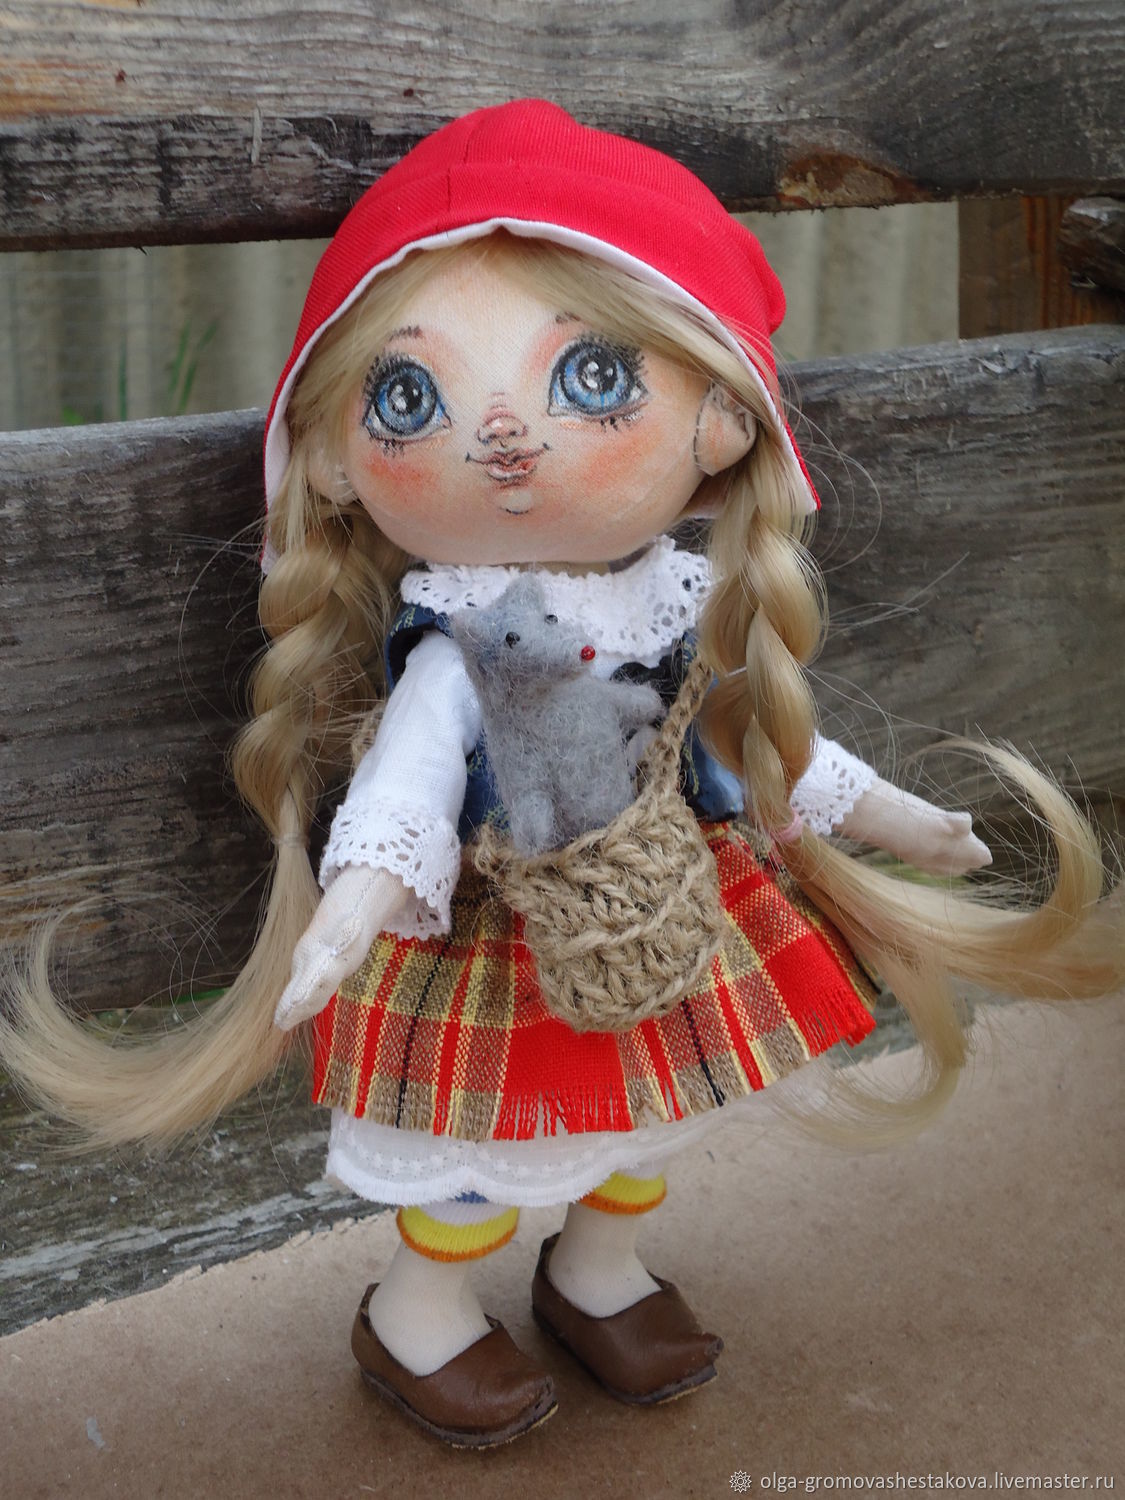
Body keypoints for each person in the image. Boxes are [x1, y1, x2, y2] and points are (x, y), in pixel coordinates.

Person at [3, 100, 1119, 1450]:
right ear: (339, 459)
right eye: (410, 397)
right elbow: (407, 792)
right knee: (480, 1162)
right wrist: (350, 909)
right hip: (498, 938)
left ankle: (597, 1271)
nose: (502, 436)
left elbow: (758, 747)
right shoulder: (458, 646)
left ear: (721, 422)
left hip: (664, 919)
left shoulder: (673, 612)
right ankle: (418, 1310)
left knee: (649, 1127)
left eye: (590, 378)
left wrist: (892, 817)